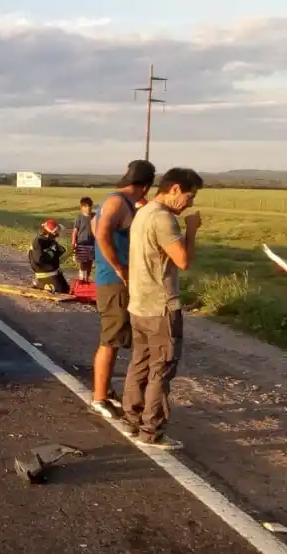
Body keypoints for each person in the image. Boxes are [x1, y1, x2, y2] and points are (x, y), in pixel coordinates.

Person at [121, 168, 204, 449]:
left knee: (139, 364)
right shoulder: (164, 219)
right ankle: (151, 431)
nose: (190, 203)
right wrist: (192, 231)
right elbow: (182, 261)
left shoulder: (142, 212)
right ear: (176, 189)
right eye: (190, 196)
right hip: (161, 307)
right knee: (161, 369)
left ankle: (131, 420)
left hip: (139, 304)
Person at [90, 159, 156, 419]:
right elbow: (102, 233)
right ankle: (98, 398)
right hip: (114, 282)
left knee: (117, 340)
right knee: (111, 341)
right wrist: (118, 266)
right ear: (146, 185)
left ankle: (104, 392)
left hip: (118, 282)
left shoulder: (122, 202)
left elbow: (97, 226)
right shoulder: (118, 203)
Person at [29, 219, 70, 294]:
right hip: (45, 272)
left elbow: (58, 251)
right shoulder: (38, 241)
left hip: (53, 272)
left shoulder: (50, 241)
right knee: (59, 291)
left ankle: (43, 283)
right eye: (56, 232)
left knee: (66, 289)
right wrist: (52, 251)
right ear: (50, 233)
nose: (58, 234)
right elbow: (39, 260)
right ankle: (40, 284)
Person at [71, 197, 96, 282]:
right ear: (81, 207)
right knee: (83, 263)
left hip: (92, 243)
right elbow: (75, 230)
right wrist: (73, 241)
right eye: (85, 206)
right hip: (82, 243)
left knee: (90, 262)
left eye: (90, 207)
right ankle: (81, 279)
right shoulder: (79, 217)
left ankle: (87, 279)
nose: (88, 208)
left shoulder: (94, 216)